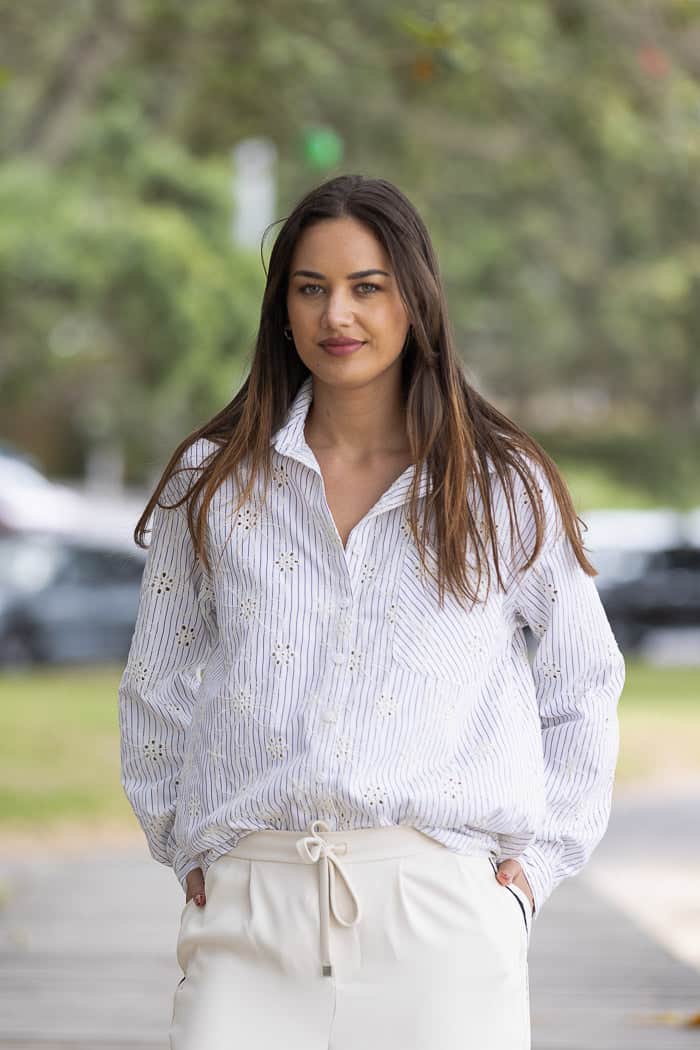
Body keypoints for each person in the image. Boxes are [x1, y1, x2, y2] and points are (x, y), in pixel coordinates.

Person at [118, 173, 626, 1050]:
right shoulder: (214, 482)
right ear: (282, 310)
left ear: (416, 301)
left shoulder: (503, 487)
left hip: (441, 920)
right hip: (251, 910)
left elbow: (584, 685)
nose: (335, 316)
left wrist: (530, 875)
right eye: (310, 289)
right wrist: (187, 850)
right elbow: (155, 681)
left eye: (366, 287)